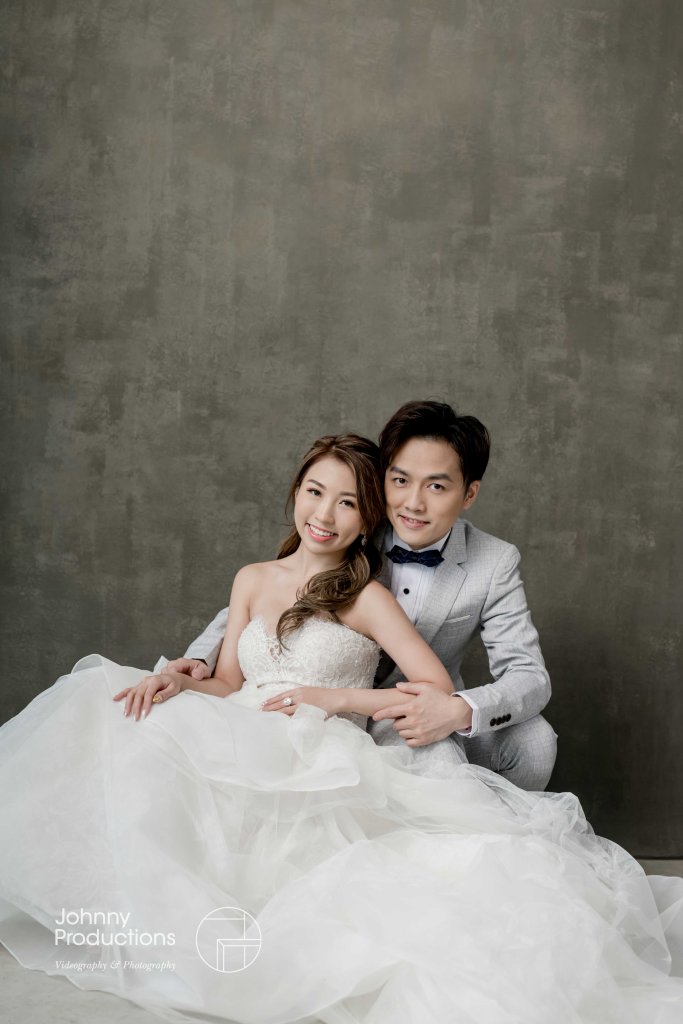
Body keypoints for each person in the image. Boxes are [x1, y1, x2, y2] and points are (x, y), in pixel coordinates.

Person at [1, 432, 682, 1024]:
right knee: (112, 703)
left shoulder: (367, 595)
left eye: (348, 503)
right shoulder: (252, 578)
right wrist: (180, 677)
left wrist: (331, 698)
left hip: (319, 743)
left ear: (368, 522)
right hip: (241, 723)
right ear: (295, 492)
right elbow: (229, 679)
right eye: (314, 492)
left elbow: (438, 686)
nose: (324, 514)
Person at [168, 400, 557, 790]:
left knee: (532, 741)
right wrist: (198, 660)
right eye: (400, 480)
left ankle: (506, 820)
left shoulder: (493, 561)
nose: (413, 503)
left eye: (436, 486)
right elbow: (270, 603)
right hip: (312, 712)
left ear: (469, 494)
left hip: (413, 708)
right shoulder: (349, 525)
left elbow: (528, 674)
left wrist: (458, 710)